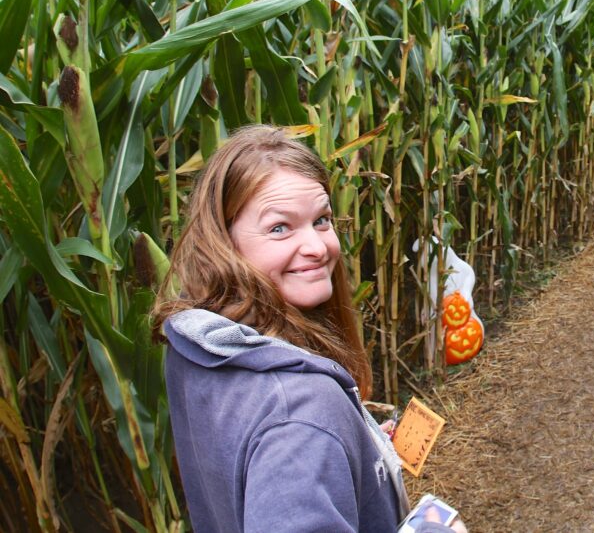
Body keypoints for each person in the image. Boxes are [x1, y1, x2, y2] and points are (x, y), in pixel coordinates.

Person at [151, 125, 463, 533]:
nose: (318, 246)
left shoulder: (199, 347)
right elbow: (290, 432)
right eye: (279, 227)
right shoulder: (299, 416)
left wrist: (351, 442)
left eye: (321, 220)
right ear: (223, 241)